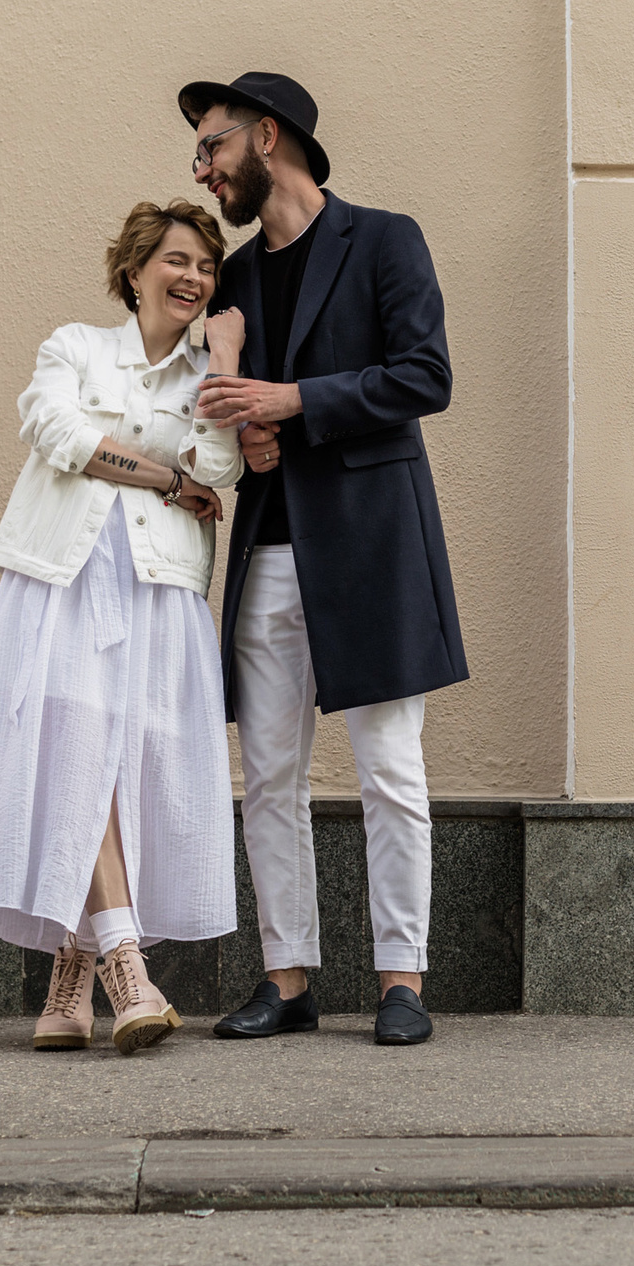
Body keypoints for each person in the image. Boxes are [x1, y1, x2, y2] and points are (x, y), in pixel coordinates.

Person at [180, 71, 467, 1048]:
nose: (201, 170)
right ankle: (288, 978)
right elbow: (223, 416)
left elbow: (424, 375)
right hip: (265, 550)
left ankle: (401, 980)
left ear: (267, 138)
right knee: (266, 775)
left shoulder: (386, 239)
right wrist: (240, 412)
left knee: (390, 767)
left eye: (210, 146)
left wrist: (291, 402)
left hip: (373, 546)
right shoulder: (236, 279)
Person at [0, 198, 247, 1053]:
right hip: (66, 578)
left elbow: (222, 466)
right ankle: (126, 964)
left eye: (205, 265)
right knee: (77, 745)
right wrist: (163, 478)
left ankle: (66, 987)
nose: (193, 276)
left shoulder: (204, 376)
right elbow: (56, 431)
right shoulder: (77, 345)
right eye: (176, 259)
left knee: (122, 767)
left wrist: (226, 359)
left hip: (159, 588)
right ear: (134, 270)